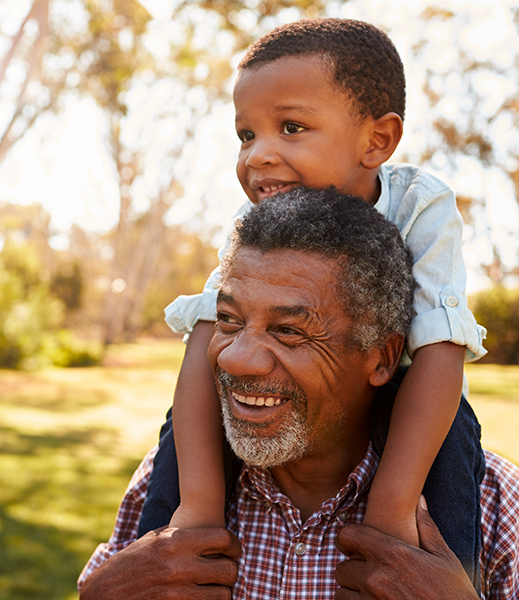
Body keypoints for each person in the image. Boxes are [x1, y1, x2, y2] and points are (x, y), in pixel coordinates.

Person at [140, 17, 489, 589]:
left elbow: (441, 349)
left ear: (376, 140)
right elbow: (207, 336)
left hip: (411, 397)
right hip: (294, 409)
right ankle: (159, 569)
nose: (258, 156)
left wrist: (392, 509)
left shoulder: (419, 205)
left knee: (451, 458)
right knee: (182, 432)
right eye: (246, 135)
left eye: (291, 127)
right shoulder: (255, 225)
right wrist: (197, 506)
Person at [78, 188, 519, 599]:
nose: (234, 358)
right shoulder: (169, 481)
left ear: (382, 358)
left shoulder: (497, 507)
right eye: (228, 320)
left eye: (288, 331)